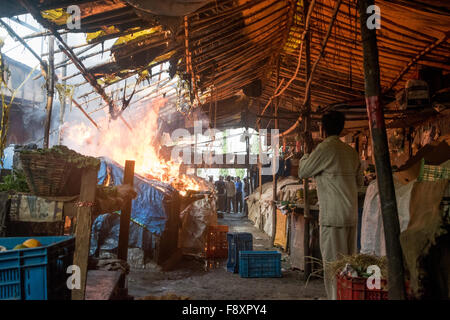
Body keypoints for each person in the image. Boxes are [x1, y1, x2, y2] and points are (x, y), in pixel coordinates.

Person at [298, 111, 363, 300]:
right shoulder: (351, 152)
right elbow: (359, 183)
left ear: (322, 129)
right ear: (341, 129)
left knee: (333, 267)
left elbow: (303, 171)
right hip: (350, 215)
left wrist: (306, 152)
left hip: (333, 217)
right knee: (348, 267)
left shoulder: (325, 149)